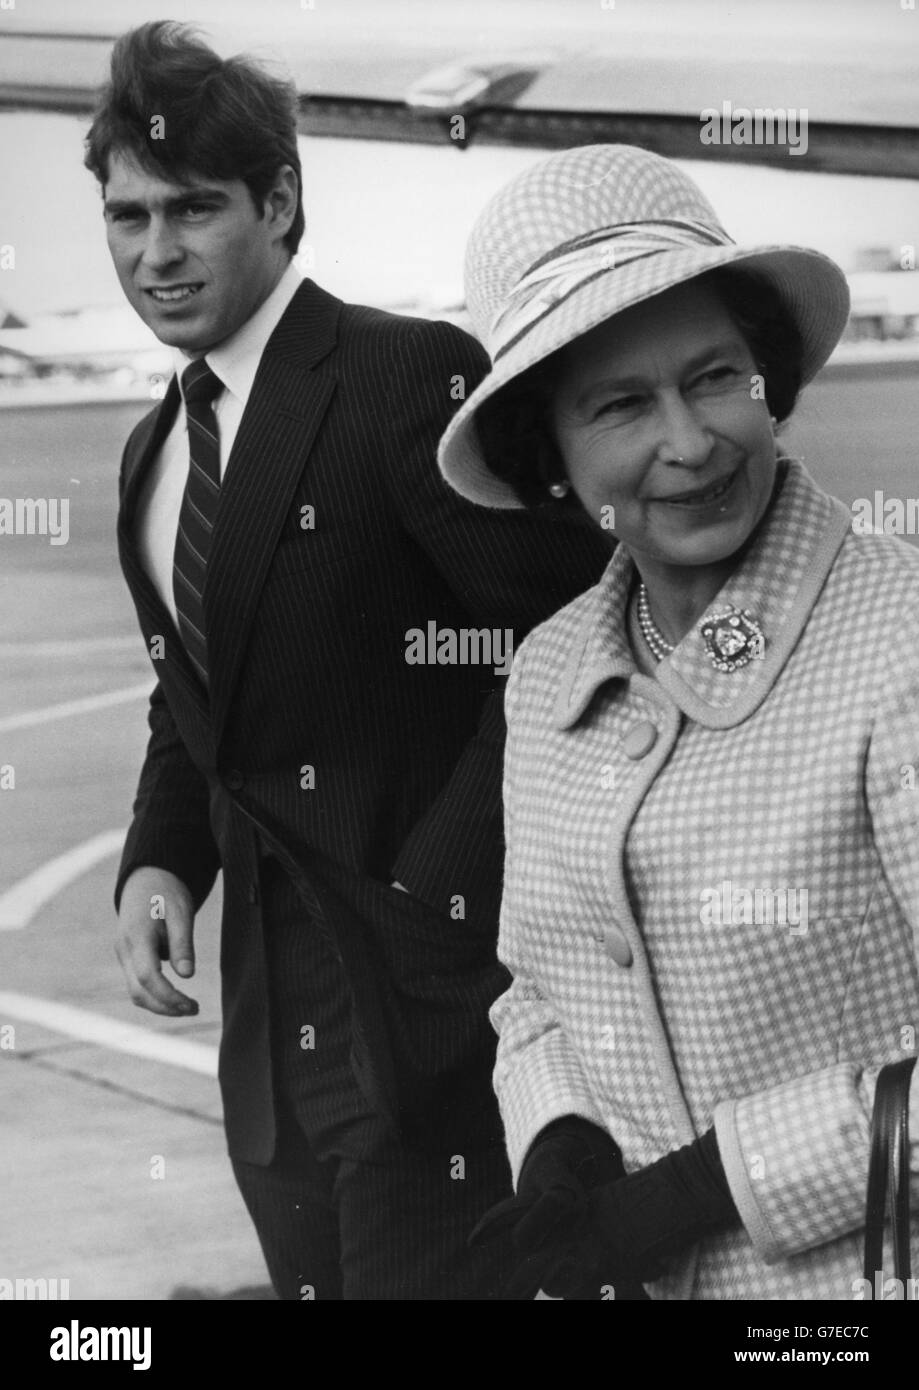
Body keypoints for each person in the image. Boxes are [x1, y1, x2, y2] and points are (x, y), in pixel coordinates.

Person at [88, 23, 610, 1300]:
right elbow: (201, 694)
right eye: (127, 215)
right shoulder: (156, 454)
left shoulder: (399, 376)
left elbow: (569, 643)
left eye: (194, 209)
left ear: (279, 201)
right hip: (271, 1050)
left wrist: (427, 892)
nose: (155, 252)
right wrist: (163, 854)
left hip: (432, 1024)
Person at [437, 143, 919, 1300]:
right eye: (619, 405)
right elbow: (541, 990)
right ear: (548, 456)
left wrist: (706, 1188)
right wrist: (559, 1142)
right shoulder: (551, 673)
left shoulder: (899, 635)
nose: (692, 442)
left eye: (716, 378)